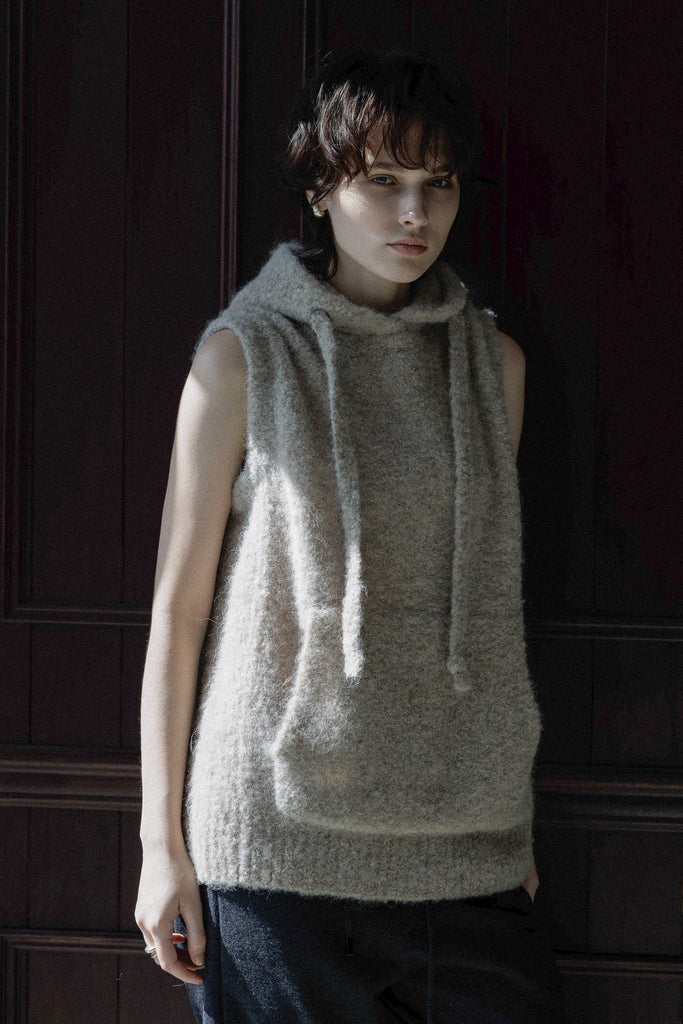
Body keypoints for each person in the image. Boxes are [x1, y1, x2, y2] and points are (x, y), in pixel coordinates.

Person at [135, 47, 566, 1024]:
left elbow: (487, 606)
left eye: (437, 183)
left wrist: (511, 820)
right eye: (381, 181)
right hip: (273, 849)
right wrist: (161, 845)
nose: (415, 213)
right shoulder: (239, 361)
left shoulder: (492, 369)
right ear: (320, 190)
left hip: (463, 846)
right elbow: (179, 609)